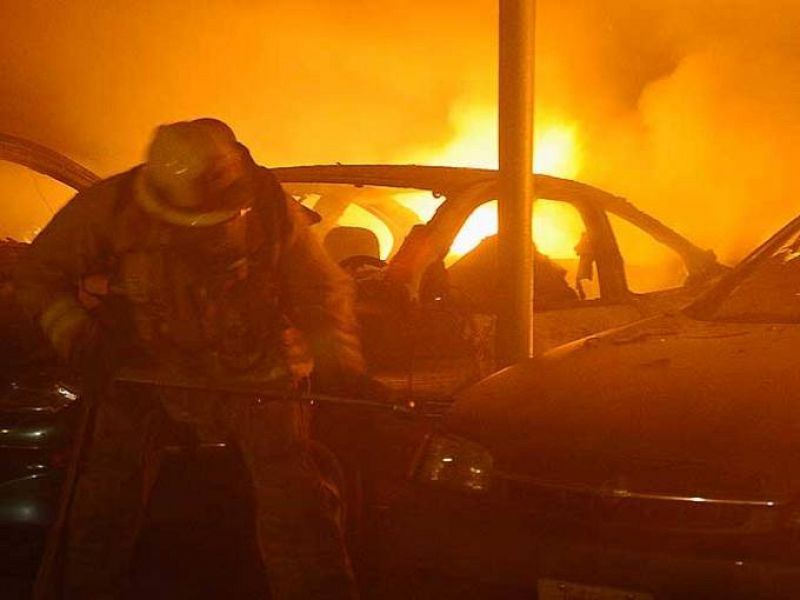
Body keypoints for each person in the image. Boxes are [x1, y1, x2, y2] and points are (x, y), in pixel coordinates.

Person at [15, 118, 365, 599]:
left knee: (295, 505)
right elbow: (38, 275)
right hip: (144, 370)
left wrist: (339, 364)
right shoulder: (111, 208)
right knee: (104, 503)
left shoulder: (269, 208)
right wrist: (82, 338)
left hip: (255, 372)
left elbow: (320, 289)